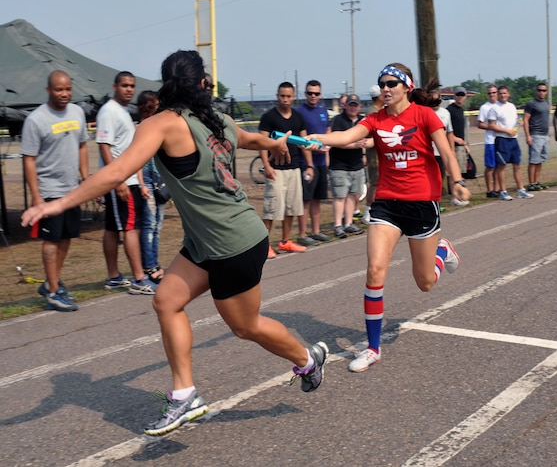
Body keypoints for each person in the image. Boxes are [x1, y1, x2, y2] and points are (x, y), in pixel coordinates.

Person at [21, 50, 329, 436]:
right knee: (166, 301)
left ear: (166, 83)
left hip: (234, 242)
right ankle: (185, 396)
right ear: (202, 83)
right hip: (206, 241)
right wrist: (275, 143)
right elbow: (252, 138)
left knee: (245, 326)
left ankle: (308, 358)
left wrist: (60, 203)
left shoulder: (163, 123)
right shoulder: (216, 120)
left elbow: (117, 170)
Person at [307, 63, 470, 373]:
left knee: (424, 283)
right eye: (382, 83)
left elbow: (446, 152)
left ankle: (442, 251)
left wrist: (457, 181)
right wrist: (316, 138)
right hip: (387, 205)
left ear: (406, 86)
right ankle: (372, 348)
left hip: (422, 204)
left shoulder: (424, 115)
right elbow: (344, 136)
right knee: (374, 271)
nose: (385, 88)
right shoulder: (375, 119)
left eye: (392, 83)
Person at [20, 70, 89, 312]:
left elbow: (82, 145)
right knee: (51, 240)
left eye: (68, 89)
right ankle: (52, 293)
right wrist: (37, 198)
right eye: (59, 89)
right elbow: (28, 159)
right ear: (48, 90)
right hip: (49, 191)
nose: (64, 94)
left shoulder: (78, 112)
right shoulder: (36, 120)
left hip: (72, 190)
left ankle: (53, 281)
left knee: (67, 237)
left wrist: (85, 177)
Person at [95, 71, 156, 294]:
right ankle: (139, 279)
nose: (129, 89)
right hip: (121, 180)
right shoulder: (109, 111)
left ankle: (114, 277)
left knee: (112, 228)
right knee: (132, 229)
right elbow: (104, 145)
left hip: (127, 179)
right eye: (124, 85)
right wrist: (119, 179)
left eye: (132, 85)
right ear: (115, 86)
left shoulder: (122, 111)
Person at [258, 82, 314, 254]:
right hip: (276, 170)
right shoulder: (269, 117)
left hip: (294, 169)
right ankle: (263, 246)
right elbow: (262, 144)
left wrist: (310, 165)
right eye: (282, 96)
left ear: (293, 96)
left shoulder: (298, 117)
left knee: (291, 208)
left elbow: (305, 144)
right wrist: (266, 165)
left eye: (289, 96)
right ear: (277, 95)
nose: (285, 99)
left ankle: (285, 241)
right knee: (272, 209)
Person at [295, 80, 332, 245]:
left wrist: (327, 149)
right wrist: (316, 148)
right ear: (305, 94)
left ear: (320, 94)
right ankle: (302, 234)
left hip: (321, 161)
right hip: (306, 162)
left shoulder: (323, 110)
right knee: (306, 199)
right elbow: (300, 139)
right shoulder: (300, 112)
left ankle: (316, 231)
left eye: (316, 93)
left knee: (318, 198)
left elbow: (328, 130)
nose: (313, 96)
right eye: (310, 93)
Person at [329, 94, 369, 238]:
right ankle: (338, 225)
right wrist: (354, 145)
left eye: (355, 105)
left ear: (359, 107)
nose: (353, 108)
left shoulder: (362, 121)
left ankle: (348, 223)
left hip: (356, 164)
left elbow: (366, 141)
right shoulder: (338, 120)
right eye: (350, 105)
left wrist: (363, 154)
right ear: (345, 106)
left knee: (353, 194)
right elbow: (337, 141)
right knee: (340, 196)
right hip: (339, 164)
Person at [137, 90, 166, 285]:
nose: (154, 108)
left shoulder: (159, 126)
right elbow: (137, 158)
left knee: (158, 225)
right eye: (151, 105)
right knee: (149, 224)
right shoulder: (141, 127)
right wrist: (140, 183)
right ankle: (149, 265)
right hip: (146, 176)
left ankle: (154, 263)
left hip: (160, 177)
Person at [488, 85, 532, 199]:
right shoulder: (494, 108)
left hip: (513, 140)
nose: (503, 95)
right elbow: (491, 125)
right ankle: (503, 191)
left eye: (505, 93)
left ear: (508, 94)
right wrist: (506, 131)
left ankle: (520, 189)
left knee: (517, 165)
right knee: (501, 166)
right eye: (500, 93)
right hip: (502, 140)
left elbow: (518, 120)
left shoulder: (512, 106)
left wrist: (517, 127)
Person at [523, 83, 551, 190]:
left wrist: (548, 134)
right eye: (539, 90)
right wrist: (528, 136)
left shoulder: (546, 104)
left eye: (544, 90)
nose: (541, 92)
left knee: (540, 160)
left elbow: (546, 120)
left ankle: (537, 181)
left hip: (544, 135)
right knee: (533, 160)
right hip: (535, 134)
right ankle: (531, 183)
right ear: (536, 91)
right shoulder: (532, 104)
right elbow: (526, 120)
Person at [430, 87, 456, 196]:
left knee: (440, 177)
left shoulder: (445, 113)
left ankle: (438, 199)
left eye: (437, 100)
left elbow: (450, 132)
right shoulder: (425, 112)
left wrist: (452, 150)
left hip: (440, 152)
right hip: (429, 152)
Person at [363, 85, 383, 222]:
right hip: (374, 153)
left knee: (380, 182)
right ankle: (368, 210)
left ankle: (377, 208)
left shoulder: (379, 110)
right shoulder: (373, 112)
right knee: (375, 182)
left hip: (380, 151)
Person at [446, 86, 470, 190]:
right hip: (452, 145)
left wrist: (465, 145)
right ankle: (454, 194)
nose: (460, 97)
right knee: (453, 172)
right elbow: (445, 129)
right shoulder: (449, 110)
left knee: (461, 171)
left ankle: (460, 192)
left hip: (461, 146)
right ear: (454, 96)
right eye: (458, 95)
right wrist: (455, 139)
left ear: (465, 97)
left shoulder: (461, 110)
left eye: (462, 95)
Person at [477, 85, 499, 198]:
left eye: (494, 92)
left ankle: (497, 188)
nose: (492, 95)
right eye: (490, 93)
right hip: (490, 140)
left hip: (501, 139)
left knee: (499, 166)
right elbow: (480, 124)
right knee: (490, 166)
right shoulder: (484, 107)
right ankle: (489, 190)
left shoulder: (502, 106)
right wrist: (492, 127)